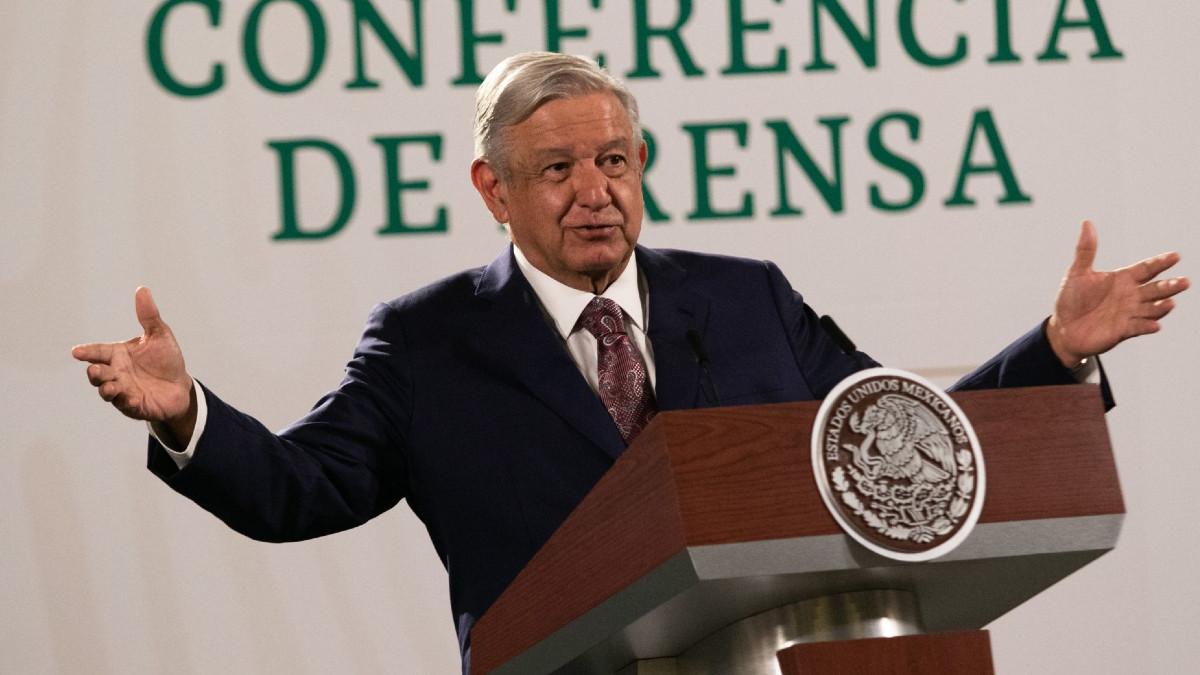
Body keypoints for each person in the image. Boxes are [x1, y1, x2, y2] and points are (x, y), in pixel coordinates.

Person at [72, 52, 1187, 670]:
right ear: (494, 190)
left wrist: (1051, 357)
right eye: (558, 170)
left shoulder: (745, 298)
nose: (595, 191)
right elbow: (300, 488)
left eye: (614, 160)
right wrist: (186, 414)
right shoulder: (426, 342)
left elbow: (893, 443)